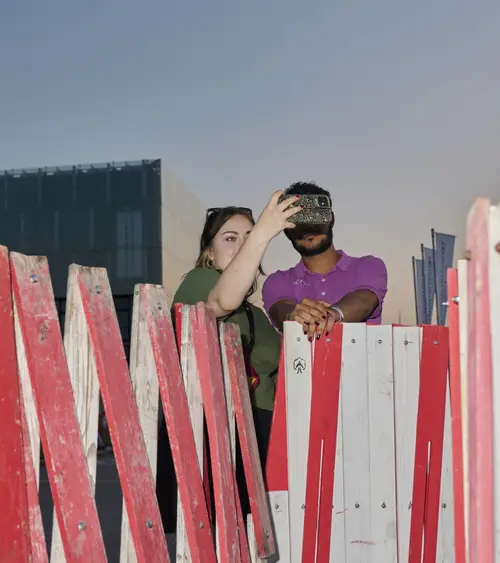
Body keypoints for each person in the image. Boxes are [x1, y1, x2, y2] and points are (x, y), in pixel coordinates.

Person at [155, 191, 301, 532]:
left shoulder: (260, 316)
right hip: (213, 426)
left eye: (248, 238)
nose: (240, 245)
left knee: (254, 534)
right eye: (230, 238)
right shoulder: (199, 281)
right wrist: (263, 232)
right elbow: (221, 301)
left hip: (261, 428)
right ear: (209, 251)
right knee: (213, 530)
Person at [262, 182, 388, 339]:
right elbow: (281, 311)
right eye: (298, 219)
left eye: (315, 217)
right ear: (285, 229)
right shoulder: (277, 281)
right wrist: (293, 315)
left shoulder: (368, 266)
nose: (307, 227)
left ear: (331, 219)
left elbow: (365, 300)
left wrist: (335, 314)